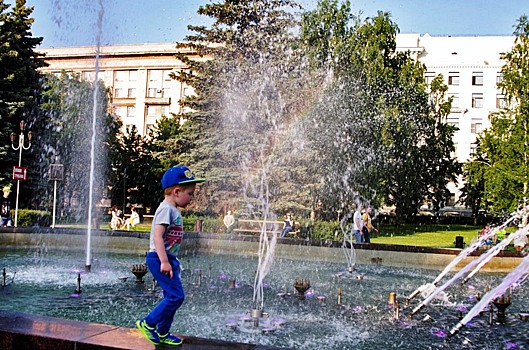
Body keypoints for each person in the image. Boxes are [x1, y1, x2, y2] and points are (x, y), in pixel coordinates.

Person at [136, 165, 205, 346]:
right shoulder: (166, 209)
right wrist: (164, 261)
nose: (191, 198)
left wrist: (170, 260)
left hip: (168, 259)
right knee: (176, 297)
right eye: (189, 194)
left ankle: (163, 332)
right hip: (159, 259)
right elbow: (157, 236)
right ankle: (148, 323)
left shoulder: (172, 210)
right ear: (176, 191)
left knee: (171, 296)